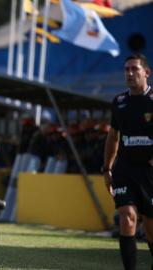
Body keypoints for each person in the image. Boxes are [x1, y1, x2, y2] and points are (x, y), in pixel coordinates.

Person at [103, 53, 152, 270]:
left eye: (134, 69)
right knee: (127, 216)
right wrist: (107, 169)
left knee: (150, 226)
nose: (130, 73)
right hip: (124, 169)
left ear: (146, 73)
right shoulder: (119, 102)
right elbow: (113, 137)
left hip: (149, 173)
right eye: (126, 70)